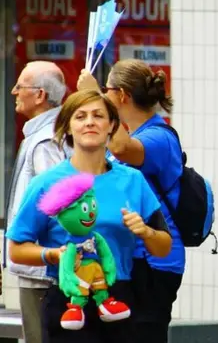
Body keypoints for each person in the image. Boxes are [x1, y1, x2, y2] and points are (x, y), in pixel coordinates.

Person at [6, 89, 173, 343]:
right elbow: (16, 248)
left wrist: (146, 232)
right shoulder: (47, 183)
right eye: (80, 116)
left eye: (98, 116)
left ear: (111, 126)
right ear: (68, 128)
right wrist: (52, 254)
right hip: (68, 298)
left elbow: (164, 246)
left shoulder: (132, 180)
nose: (90, 122)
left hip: (119, 297)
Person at [77, 59, 184, 342]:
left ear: (121, 95)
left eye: (106, 90)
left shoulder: (159, 137)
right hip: (131, 258)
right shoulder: (134, 134)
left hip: (154, 262)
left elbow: (124, 149)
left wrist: (95, 98)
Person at [5, 61, 68, 343]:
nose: (13, 91)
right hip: (45, 266)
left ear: (40, 95)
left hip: (42, 272)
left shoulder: (45, 141)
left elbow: (59, 203)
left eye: (20, 86)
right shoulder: (46, 134)